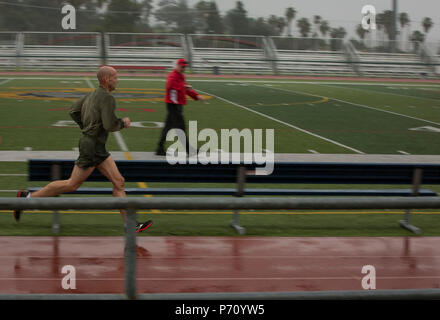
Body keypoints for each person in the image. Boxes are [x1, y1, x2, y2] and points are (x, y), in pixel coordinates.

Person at [14, 66, 152, 233]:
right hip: (92, 146)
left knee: (118, 181)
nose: (117, 80)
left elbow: (73, 111)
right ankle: (26, 199)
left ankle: (130, 224)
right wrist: (123, 123)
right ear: (106, 79)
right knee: (72, 184)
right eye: (115, 77)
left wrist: (85, 127)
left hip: (96, 146)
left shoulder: (91, 95)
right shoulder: (107, 98)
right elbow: (109, 125)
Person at [156, 58, 204, 156]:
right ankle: (189, 150)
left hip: (176, 105)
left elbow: (185, 89)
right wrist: (184, 87)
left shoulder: (181, 76)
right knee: (180, 127)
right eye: (182, 67)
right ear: (177, 66)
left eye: (184, 67)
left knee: (167, 127)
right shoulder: (172, 76)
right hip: (173, 105)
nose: (183, 68)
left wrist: (196, 96)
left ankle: (159, 148)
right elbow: (170, 86)